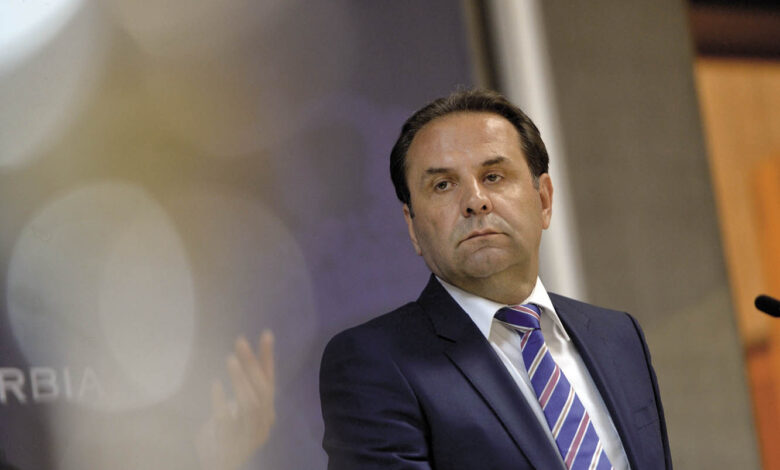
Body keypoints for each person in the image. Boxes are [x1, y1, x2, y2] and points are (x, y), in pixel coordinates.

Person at [319, 89, 672, 469]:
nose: (475, 201)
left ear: (544, 200)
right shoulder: (374, 362)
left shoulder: (619, 337)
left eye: (493, 176)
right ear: (412, 226)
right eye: (443, 185)